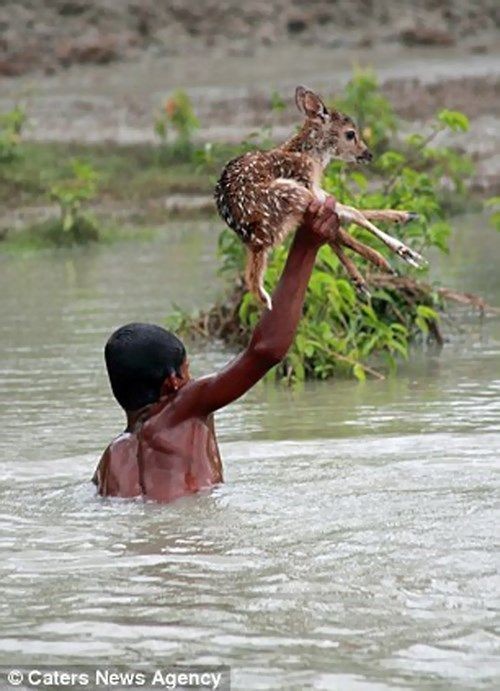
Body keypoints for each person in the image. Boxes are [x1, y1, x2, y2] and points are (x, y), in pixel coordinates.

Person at [93, 197, 339, 502]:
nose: (191, 378)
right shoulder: (183, 408)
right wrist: (306, 246)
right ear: (173, 382)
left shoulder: (110, 460)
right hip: (192, 537)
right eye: (187, 370)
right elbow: (267, 351)